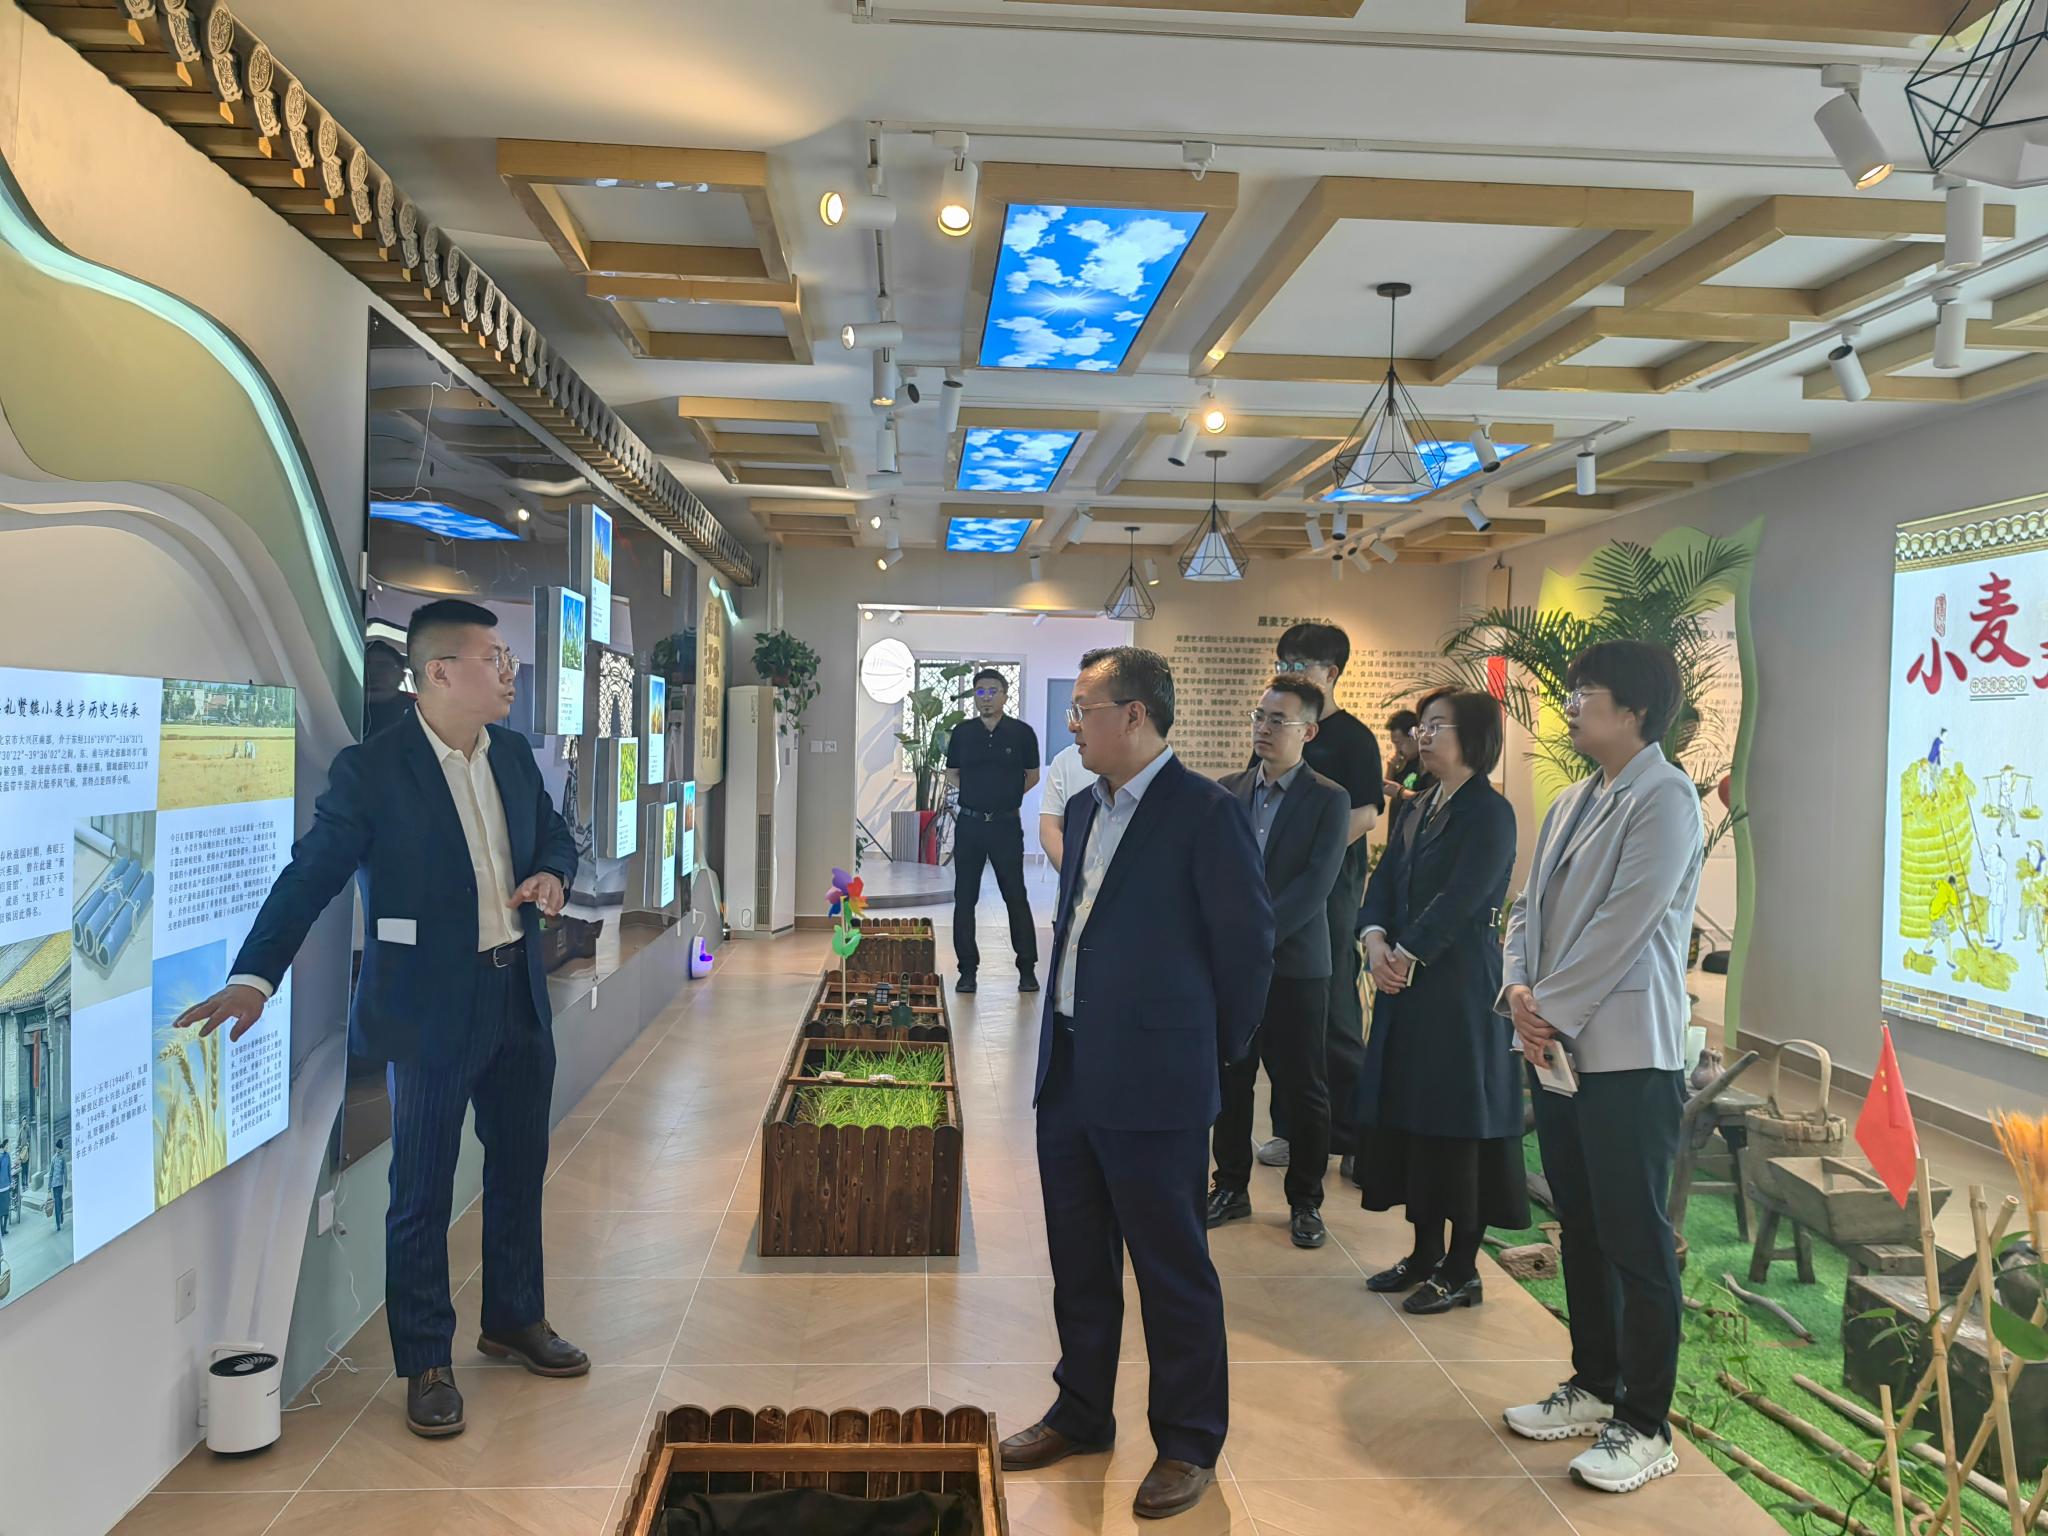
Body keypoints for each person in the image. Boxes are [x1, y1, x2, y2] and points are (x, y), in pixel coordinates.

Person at [174, 598, 583, 1441]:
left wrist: (552, 875)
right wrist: (255, 977)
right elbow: (310, 876)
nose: (509, 674)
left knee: (518, 1168)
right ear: (439, 673)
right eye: (494, 659)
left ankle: (514, 1318)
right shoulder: (374, 770)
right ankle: (426, 1361)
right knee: (421, 1190)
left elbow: (555, 835)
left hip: (515, 996)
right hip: (428, 1008)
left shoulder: (510, 754)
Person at [1000, 647, 1274, 1522]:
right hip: (1072, 1069)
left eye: (1084, 709)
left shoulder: (1206, 813)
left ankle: (1189, 1440)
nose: (1072, 725)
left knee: (1171, 1267)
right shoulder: (1086, 806)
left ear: (1135, 715)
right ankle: (1081, 1411)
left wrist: (1208, 1054)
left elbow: (1248, 949)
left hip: (1158, 1081)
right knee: (1079, 1260)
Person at [1498, 641, 1704, 1495]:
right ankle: (1594, 1382)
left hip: (1626, 1053)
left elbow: (1627, 921)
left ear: (1636, 710)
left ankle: (1646, 1422)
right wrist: (1518, 987)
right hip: (1558, 1045)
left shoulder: (1667, 797)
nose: (1572, 704)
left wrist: (1546, 1007)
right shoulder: (1574, 798)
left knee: (1635, 1238)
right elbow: (1526, 907)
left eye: (1588, 692)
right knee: (1580, 1223)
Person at [1356, 690, 1525, 1313]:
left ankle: (1462, 1268)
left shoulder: (1491, 812)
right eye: (1422, 727)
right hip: (1405, 984)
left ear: (1474, 737)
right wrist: (1375, 940)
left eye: (1437, 726)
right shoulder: (1416, 805)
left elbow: (1465, 895)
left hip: (1459, 990)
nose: (1423, 737)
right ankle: (1424, 1253)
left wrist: (1406, 953)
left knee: (1459, 1124)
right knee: (1415, 1118)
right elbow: (1382, 884)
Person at [1209, 678, 1350, 1249]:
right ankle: (1230, 1186)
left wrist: (1255, 938)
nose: (1263, 728)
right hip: (1235, 967)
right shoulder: (1229, 791)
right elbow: (1216, 873)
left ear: (1308, 731)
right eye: (1259, 716)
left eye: (1278, 720)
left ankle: (1305, 1200)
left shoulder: (1329, 798)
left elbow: (1316, 884)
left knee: (1302, 1089)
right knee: (1232, 1079)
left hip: (1296, 967)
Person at [1255, 623, 1382, 1177]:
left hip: (1328, 894)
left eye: (1300, 663)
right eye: (1284, 662)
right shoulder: (1272, 734)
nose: (1289, 671)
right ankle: (1290, 1130)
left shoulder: (1353, 738)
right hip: (1274, 892)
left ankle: (1350, 1135)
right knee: (1277, 1014)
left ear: (1331, 673)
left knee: (1332, 1014)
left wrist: (1317, 857)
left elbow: (1367, 814)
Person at [945, 669, 1041, 994]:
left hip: (1005, 825)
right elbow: (953, 773)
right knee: (964, 899)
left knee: (1015, 896)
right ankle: (967, 971)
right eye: (980, 691)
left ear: (1004, 695)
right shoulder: (962, 733)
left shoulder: (1021, 733)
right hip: (970, 825)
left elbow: (1032, 776)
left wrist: (1005, 797)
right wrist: (977, 794)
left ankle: (1027, 969)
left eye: (992, 691)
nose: (986, 697)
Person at [1037, 741, 1091, 871]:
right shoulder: (1064, 760)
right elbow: (1049, 828)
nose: (1073, 730)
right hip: (1079, 875)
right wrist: (1074, 875)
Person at [362, 637, 414, 738]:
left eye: (383, 665)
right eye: (366, 665)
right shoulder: (339, 709)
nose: (372, 672)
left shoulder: (420, 711)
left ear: (402, 675)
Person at [48, 1137, 64, 1232]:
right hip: (54, 1185)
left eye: (60, 1148)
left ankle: (61, 1213)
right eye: (57, 1148)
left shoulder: (63, 1158)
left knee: (60, 1202)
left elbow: (65, 1170)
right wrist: (49, 1188)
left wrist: (66, 1181)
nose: (58, 1150)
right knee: (57, 1203)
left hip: (60, 1184)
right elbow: (50, 1173)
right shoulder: (53, 1159)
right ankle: (58, 1224)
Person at [0, 1137, 11, 1239]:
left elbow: (9, 1170)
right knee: (0, 1211)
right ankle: (1, 1230)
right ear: (3, 1146)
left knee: (6, 1209)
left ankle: (4, 1228)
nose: (8, 1147)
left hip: (6, 1187)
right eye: (7, 1145)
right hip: (0, 1188)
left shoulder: (7, 1156)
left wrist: (10, 1182)